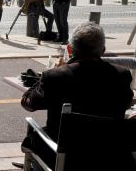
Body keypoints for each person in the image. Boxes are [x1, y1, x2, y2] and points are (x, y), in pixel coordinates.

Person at [20, 22, 134, 170]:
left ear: (69, 48)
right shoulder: (122, 75)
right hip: (109, 153)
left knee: (34, 136)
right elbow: (125, 103)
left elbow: (28, 103)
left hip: (65, 157)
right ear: (103, 51)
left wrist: (48, 73)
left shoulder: (55, 76)